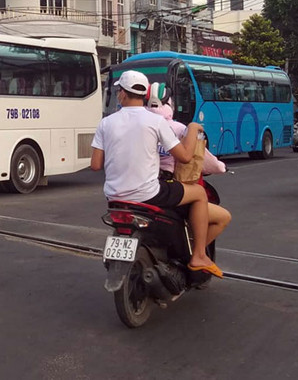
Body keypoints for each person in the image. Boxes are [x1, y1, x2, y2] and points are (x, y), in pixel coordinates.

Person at [90, 70, 222, 278]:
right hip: (149, 194)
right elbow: (186, 157)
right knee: (199, 193)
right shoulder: (156, 122)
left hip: (114, 198)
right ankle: (198, 255)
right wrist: (193, 128)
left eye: (119, 92)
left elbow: (96, 164)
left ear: (123, 94)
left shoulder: (106, 123)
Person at [145, 83, 232, 248]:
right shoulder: (180, 129)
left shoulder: (139, 126)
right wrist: (221, 166)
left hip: (138, 187)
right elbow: (199, 157)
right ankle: (194, 254)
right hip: (169, 188)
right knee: (222, 215)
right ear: (170, 103)